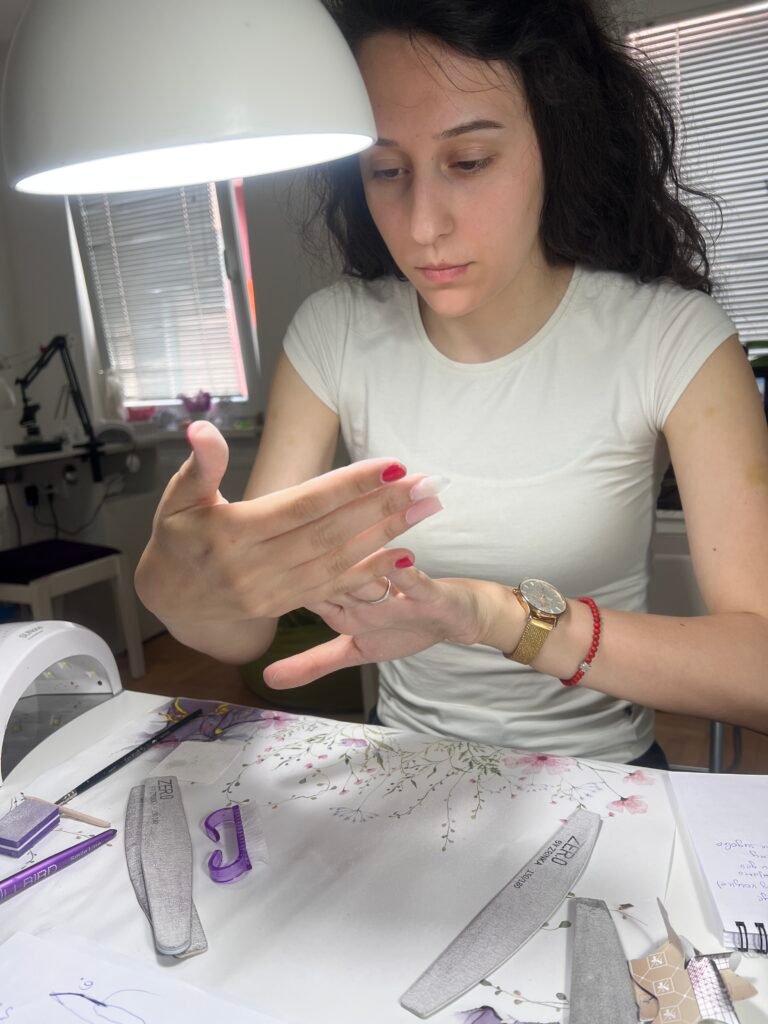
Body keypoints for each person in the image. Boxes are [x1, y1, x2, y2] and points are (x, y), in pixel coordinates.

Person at [135, 0, 768, 767]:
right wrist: (178, 586)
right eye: (386, 170)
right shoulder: (336, 332)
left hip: (600, 776)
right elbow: (246, 623)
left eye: (468, 162)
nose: (422, 225)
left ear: (558, 142)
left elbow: (757, 671)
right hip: (405, 773)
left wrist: (497, 618)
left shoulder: (672, 337)